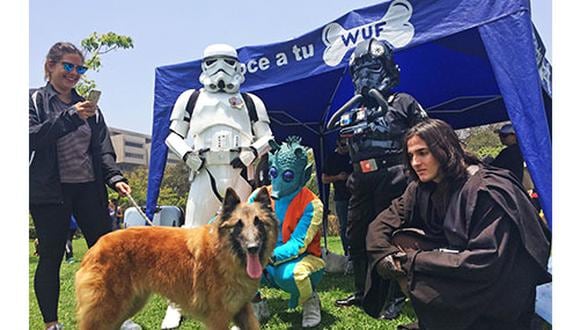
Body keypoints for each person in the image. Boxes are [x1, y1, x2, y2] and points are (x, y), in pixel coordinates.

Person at [363, 119, 551, 330]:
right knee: (401, 241)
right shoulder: (421, 188)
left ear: (444, 149)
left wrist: (411, 261)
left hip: (496, 286)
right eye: (411, 156)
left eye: (423, 153)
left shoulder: (486, 190)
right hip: (459, 267)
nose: (415, 162)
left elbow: (486, 260)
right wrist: (385, 255)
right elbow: (381, 224)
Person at [163, 43, 274, 328]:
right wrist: (188, 155)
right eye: (214, 62)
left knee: (245, 238)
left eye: (227, 61)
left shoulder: (251, 102)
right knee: (190, 239)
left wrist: (252, 151)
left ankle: (242, 301)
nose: (221, 68)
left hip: (239, 172)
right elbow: (173, 135)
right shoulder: (190, 99)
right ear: (204, 65)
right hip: (204, 172)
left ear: (238, 66)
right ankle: (178, 302)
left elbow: (267, 136)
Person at [29, 41, 131, 330]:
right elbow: (31, 136)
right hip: (50, 192)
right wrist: (71, 115)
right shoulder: (34, 101)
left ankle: (117, 317)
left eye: (80, 68)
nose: (75, 73)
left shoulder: (92, 108)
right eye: (68, 66)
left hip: (89, 190)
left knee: (106, 254)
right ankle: (52, 323)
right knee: (51, 256)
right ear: (50, 66)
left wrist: (115, 177)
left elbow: (103, 149)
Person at [331, 38, 427, 316]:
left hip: (394, 176)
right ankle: (363, 292)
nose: (364, 75)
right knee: (357, 235)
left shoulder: (403, 102)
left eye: (371, 67)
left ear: (386, 68)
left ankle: (395, 297)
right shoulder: (354, 110)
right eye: (359, 69)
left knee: (390, 236)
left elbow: (427, 135)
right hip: (360, 179)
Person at [249, 137, 325, 328]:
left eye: (288, 176)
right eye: (274, 173)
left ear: (304, 175)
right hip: (264, 258)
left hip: (302, 259)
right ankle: (256, 304)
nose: (278, 180)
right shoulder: (259, 195)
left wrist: (267, 256)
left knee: (293, 275)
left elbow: (299, 243)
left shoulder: (312, 204)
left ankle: (310, 300)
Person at [321, 137, 352, 256]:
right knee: (344, 226)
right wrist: (338, 177)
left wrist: (350, 176)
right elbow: (324, 179)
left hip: (356, 195)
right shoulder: (332, 158)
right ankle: (347, 253)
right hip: (341, 197)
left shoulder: (353, 155)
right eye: (343, 145)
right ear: (337, 143)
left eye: (347, 144)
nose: (346, 147)